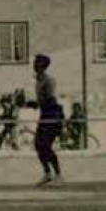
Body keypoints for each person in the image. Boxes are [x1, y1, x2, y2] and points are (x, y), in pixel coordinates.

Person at [31, 54, 64, 186]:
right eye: (34, 62)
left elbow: (51, 99)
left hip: (52, 114)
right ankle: (47, 173)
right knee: (38, 145)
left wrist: (39, 104)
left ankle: (58, 175)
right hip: (44, 114)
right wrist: (34, 104)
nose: (34, 65)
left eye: (37, 63)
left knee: (46, 146)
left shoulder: (49, 80)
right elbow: (42, 100)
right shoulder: (38, 80)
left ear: (43, 66)